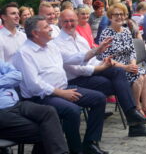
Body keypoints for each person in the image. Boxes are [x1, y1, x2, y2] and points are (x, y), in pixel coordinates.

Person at [12, 15, 111, 154]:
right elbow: (34, 85)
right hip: (41, 97)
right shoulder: (24, 53)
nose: (51, 28)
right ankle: (75, 150)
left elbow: (72, 58)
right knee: (72, 110)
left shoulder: (50, 45)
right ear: (35, 33)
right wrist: (61, 93)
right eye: (46, 27)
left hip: (63, 89)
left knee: (99, 98)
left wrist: (96, 50)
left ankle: (90, 143)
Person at [54, 9, 146, 137]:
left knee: (120, 74)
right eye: (66, 21)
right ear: (59, 22)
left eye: (72, 21)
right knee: (122, 82)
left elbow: (92, 60)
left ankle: (134, 117)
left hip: (92, 74)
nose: (69, 24)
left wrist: (103, 64)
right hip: (76, 81)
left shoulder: (79, 38)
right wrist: (100, 67)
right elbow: (75, 68)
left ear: (77, 21)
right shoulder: (58, 43)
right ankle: (134, 120)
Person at [98, 3, 146, 120]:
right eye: (116, 14)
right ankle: (137, 110)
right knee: (138, 77)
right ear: (110, 16)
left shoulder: (126, 31)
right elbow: (106, 58)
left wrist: (132, 63)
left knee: (144, 73)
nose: (119, 17)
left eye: (122, 14)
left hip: (129, 65)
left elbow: (132, 51)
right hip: (115, 69)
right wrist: (125, 67)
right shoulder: (106, 34)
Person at [0, 60, 69, 154]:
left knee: (48, 111)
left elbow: (17, 75)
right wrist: (6, 80)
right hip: (2, 112)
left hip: (15, 103)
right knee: (48, 130)